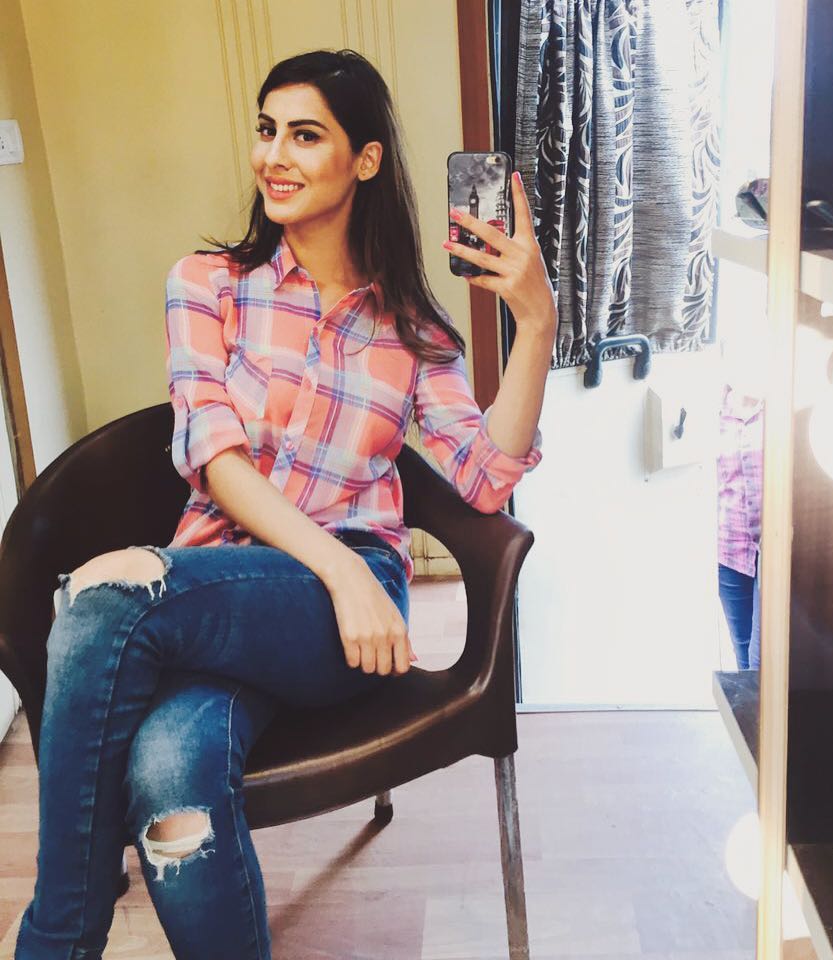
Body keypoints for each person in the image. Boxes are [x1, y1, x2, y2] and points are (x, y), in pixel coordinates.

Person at [16, 49, 557, 960]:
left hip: (338, 621)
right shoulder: (206, 284)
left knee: (103, 602)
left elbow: (485, 477)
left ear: (366, 159)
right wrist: (338, 568)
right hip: (244, 585)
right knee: (170, 775)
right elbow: (216, 458)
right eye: (267, 130)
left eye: (306, 135)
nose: (274, 155)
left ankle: (58, 940)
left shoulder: (412, 329)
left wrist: (536, 322)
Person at [717, 381, 764, 671]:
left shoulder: (781, 408)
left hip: (773, 549)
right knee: (743, 653)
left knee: (761, 661)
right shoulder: (715, 409)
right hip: (729, 548)